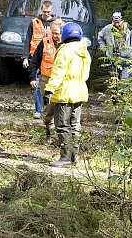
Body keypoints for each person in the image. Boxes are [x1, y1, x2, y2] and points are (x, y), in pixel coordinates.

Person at [42, 22, 91, 167]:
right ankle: (74, 156)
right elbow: (86, 74)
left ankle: (65, 157)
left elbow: (58, 72)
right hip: (80, 91)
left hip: (65, 92)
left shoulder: (65, 50)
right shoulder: (84, 51)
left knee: (62, 125)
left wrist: (49, 90)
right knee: (75, 125)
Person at [28, 19, 64, 143]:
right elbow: (34, 61)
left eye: (58, 33)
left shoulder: (67, 45)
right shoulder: (45, 42)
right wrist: (33, 77)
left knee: (62, 109)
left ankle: (61, 138)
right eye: (53, 33)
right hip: (46, 79)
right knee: (48, 109)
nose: (55, 36)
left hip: (62, 81)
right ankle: (49, 134)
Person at [22, 0, 55, 119]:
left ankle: (50, 109)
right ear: (41, 11)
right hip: (35, 57)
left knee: (49, 85)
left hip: (49, 58)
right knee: (35, 84)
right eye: (44, 11)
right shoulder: (34, 22)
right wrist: (25, 57)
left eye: (48, 12)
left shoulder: (55, 23)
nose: (46, 14)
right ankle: (38, 110)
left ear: (52, 11)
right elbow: (27, 40)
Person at [97, 12, 132, 80]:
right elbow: (99, 37)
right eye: (114, 22)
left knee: (124, 81)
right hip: (113, 60)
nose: (116, 24)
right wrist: (104, 49)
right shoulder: (108, 29)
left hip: (127, 61)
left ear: (123, 21)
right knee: (114, 81)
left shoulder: (131, 30)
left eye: (118, 22)